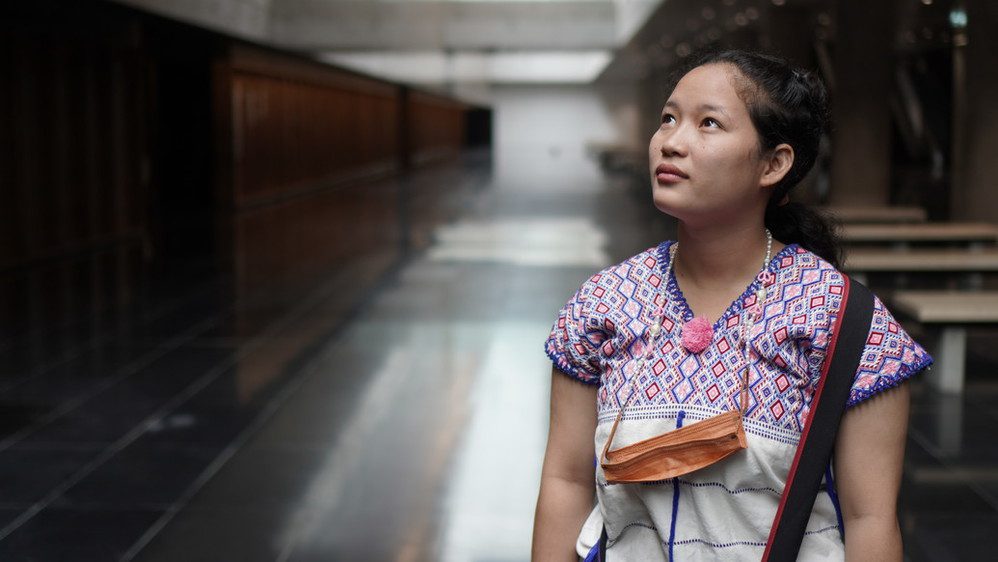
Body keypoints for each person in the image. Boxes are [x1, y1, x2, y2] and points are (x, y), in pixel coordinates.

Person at [531, 49, 932, 561]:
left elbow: (870, 519)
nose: (671, 142)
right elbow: (566, 481)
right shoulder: (603, 303)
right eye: (669, 118)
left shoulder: (843, 320)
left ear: (774, 163)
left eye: (709, 123)